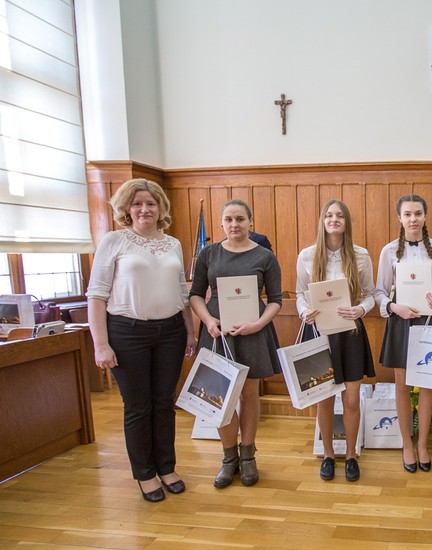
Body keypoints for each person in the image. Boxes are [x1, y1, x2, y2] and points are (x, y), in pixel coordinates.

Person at [86, 179, 196, 502]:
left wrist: (190, 332)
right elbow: (96, 295)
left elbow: (182, 293)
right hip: (126, 334)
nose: (145, 209)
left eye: (151, 203)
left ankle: (167, 467)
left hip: (171, 333)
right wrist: (100, 344)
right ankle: (145, 474)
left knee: (164, 403)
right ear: (127, 208)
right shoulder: (114, 241)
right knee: (138, 405)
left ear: (160, 207)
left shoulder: (172, 243)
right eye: (137, 204)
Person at [189, 199, 282, 488]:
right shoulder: (209, 253)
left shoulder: (265, 256)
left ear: (250, 222)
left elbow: (276, 300)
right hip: (218, 332)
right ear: (221, 224)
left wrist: (257, 324)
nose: (234, 225)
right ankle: (228, 458)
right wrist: (207, 320)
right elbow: (195, 295)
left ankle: (248, 456)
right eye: (228, 219)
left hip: (252, 332)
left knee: (249, 394)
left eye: (240, 219)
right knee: (221, 396)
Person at [296, 199, 376, 482]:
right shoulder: (306, 255)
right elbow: (299, 294)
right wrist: (305, 311)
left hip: (350, 333)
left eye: (339, 215)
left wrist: (361, 309)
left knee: (352, 399)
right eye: (329, 215)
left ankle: (351, 455)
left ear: (346, 222)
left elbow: (371, 295)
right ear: (322, 221)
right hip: (319, 334)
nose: (334, 219)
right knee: (325, 400)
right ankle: (329, 454)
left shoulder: (361, 255)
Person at [374, 194, 432, 473]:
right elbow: (379, 292)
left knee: (427, 387)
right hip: (400, 322)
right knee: (403, 387)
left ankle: (422, 445)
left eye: (418, 213)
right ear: (399, 218)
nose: (413, 219)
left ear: (425, 215)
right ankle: (406, 444)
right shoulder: (388, 251)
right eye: (407, 214)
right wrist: (393, 306)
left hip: (429, 322)